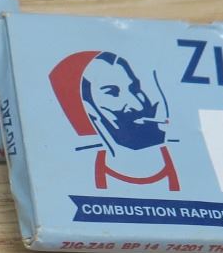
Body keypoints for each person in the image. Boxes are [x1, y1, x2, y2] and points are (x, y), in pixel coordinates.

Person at [48, 50, 179, 191]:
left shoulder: (185, 160)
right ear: (88, 108)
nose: (137, 105)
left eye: (135, 89)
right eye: (112, 93)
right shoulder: (74, 177)